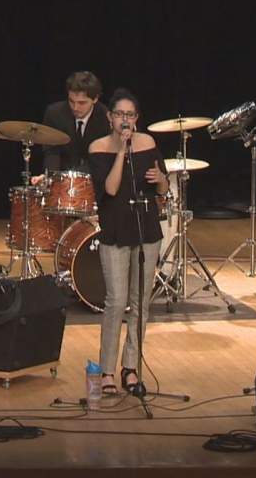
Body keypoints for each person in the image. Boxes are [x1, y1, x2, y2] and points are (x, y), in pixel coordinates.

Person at [87, 89, 167, 395]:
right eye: (120, 114)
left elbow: (161, 189)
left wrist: (160, 180)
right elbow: (109, 188)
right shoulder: (98, 147)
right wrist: (122, 150)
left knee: (140, 303)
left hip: (146, 228)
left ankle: (131, 368)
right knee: (116, 301)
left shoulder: (149, 142)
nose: (125, 120)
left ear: (137, 118)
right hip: (115, 230)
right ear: (109, 117)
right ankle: (107, 370)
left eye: (130, 115)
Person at [35, 71, 110, 183]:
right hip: (61, 181)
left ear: (95, 99)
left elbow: (101, 160)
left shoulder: (106, 117)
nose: (75, 107)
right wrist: (50, 177)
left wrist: (74, 179)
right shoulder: (55, 113)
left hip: (95, 182)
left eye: (82, 103)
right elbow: (52, 151)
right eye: (71, 101)